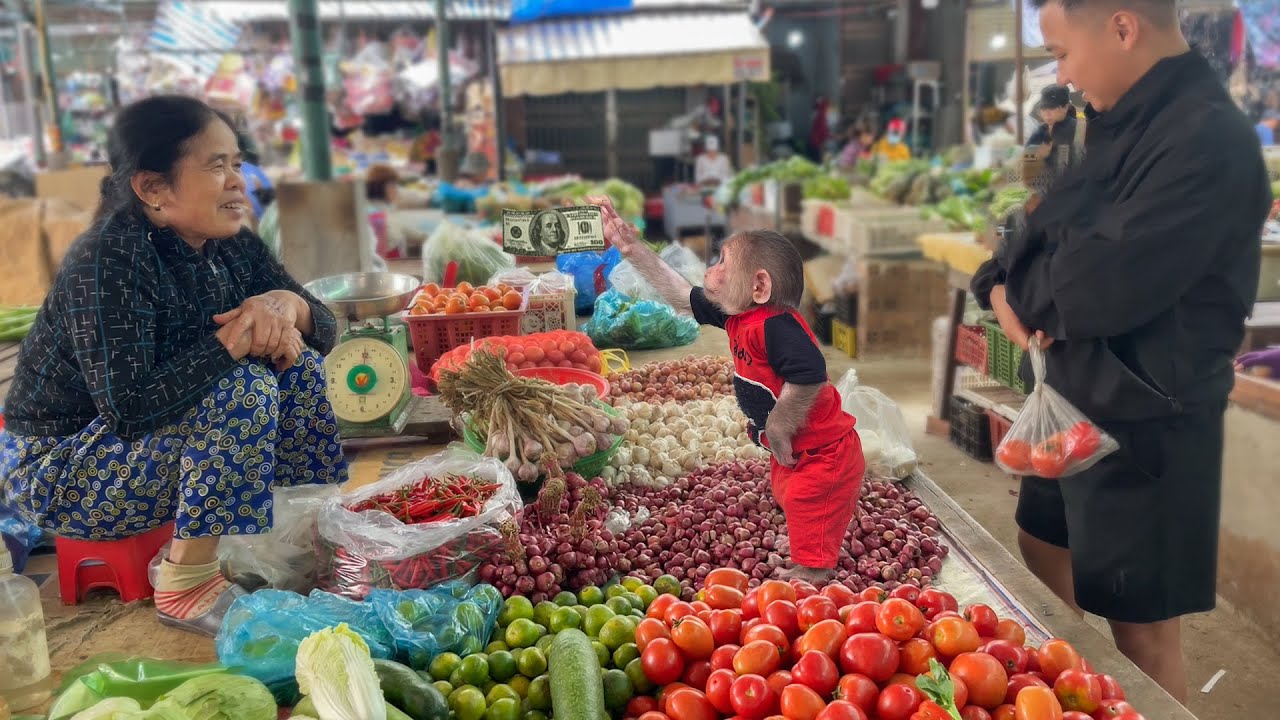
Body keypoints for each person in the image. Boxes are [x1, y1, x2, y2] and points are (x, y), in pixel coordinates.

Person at [970, 0, 1270, 701]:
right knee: (1043, 546)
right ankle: (1083, 695)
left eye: (1062, 51)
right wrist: (997, 279)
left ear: (1123, 26)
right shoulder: (1112, 122)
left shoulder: (1207, 141)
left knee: (1141, 625)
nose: (1060, 73)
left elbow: (1098, 284)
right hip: (1079, 394)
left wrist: (1020, 288)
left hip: (1147, 416)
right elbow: (1032, 224)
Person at [0, 95, 348, 636]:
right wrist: (230, 344)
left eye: (236, 162)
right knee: (244, 386)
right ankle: (186, 583)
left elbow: (326, 328)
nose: (238, 180)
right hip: (63, 471)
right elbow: (129, 409)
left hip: (137, 449)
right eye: (215, 166)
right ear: (152, 188)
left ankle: (286, 545)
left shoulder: (231, 245)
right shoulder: (108, 260)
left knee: (295, 360)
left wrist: (284, 305)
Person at [590, 195, 865, 583]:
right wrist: (630, 248)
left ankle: (814, 570)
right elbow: (681, 295)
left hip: (826, 451)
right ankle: (811, 542)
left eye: (723, 263)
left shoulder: (777, 327)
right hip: (795, 449)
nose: (712, 269)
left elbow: (810, 375)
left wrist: (780, 427)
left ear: (759, 286)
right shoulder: (737, 313)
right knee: (790, 495)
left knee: (807, 498)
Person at [1026, 84, 1082, 175]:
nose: (1047, 114)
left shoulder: (1078, 128)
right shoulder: (1041, 130)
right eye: (1043, 108)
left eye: (1052, 108)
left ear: (1065, 107)